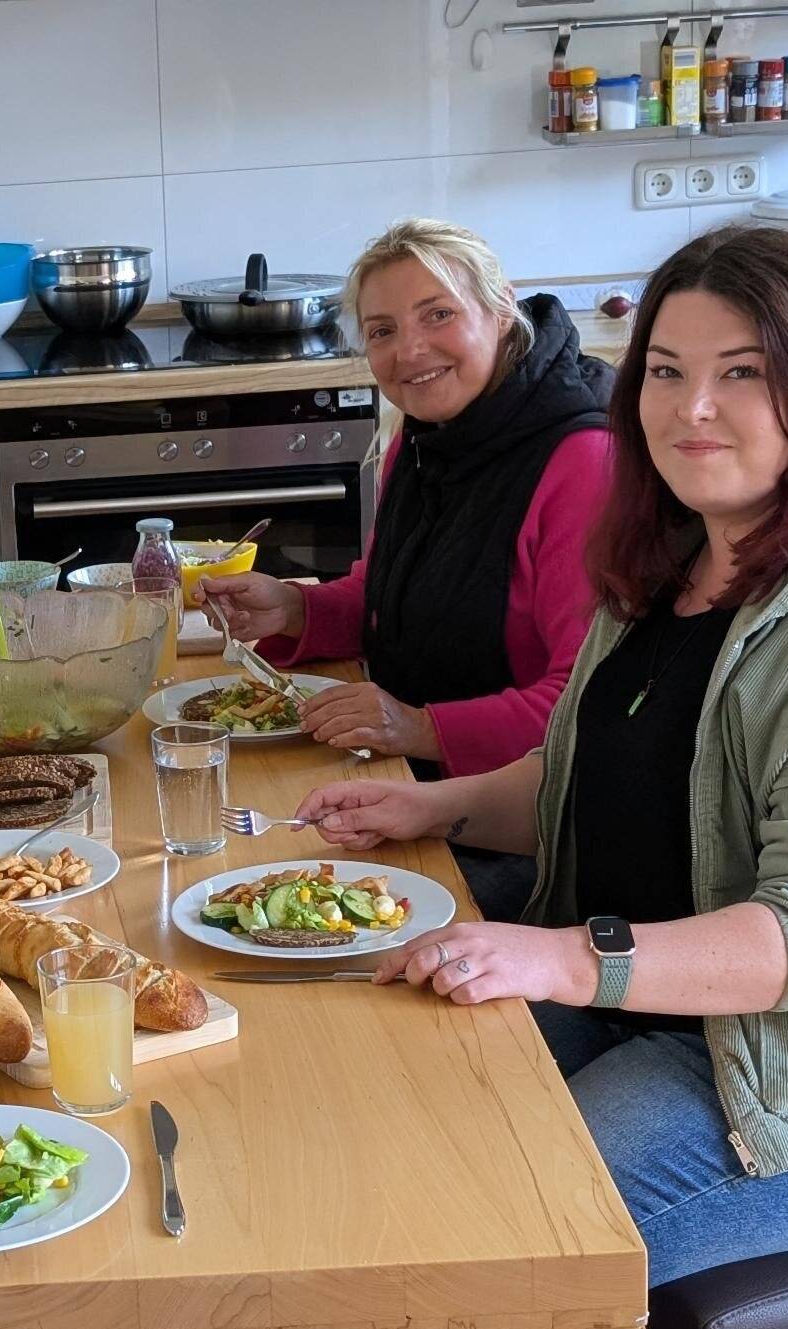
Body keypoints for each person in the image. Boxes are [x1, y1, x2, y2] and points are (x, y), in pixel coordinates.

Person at [146, 226, 788, 1329]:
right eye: (668, 371)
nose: (692, 410)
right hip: (666, 988)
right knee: (356, 1168)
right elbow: (595, 774)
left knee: (481, 1262)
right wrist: (440, 800)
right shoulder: (679, 545)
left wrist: (566, 957)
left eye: (742, 374)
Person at [200, 218, 614, 917]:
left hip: (537, 839)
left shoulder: (582, 461)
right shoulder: (424, 439)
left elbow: (583, 705)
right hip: (404, 788)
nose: (410, 350)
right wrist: (295, 610)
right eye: (383, 330)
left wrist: (420, 727)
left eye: (439, 315)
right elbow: (388, 599)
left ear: (502, 307)